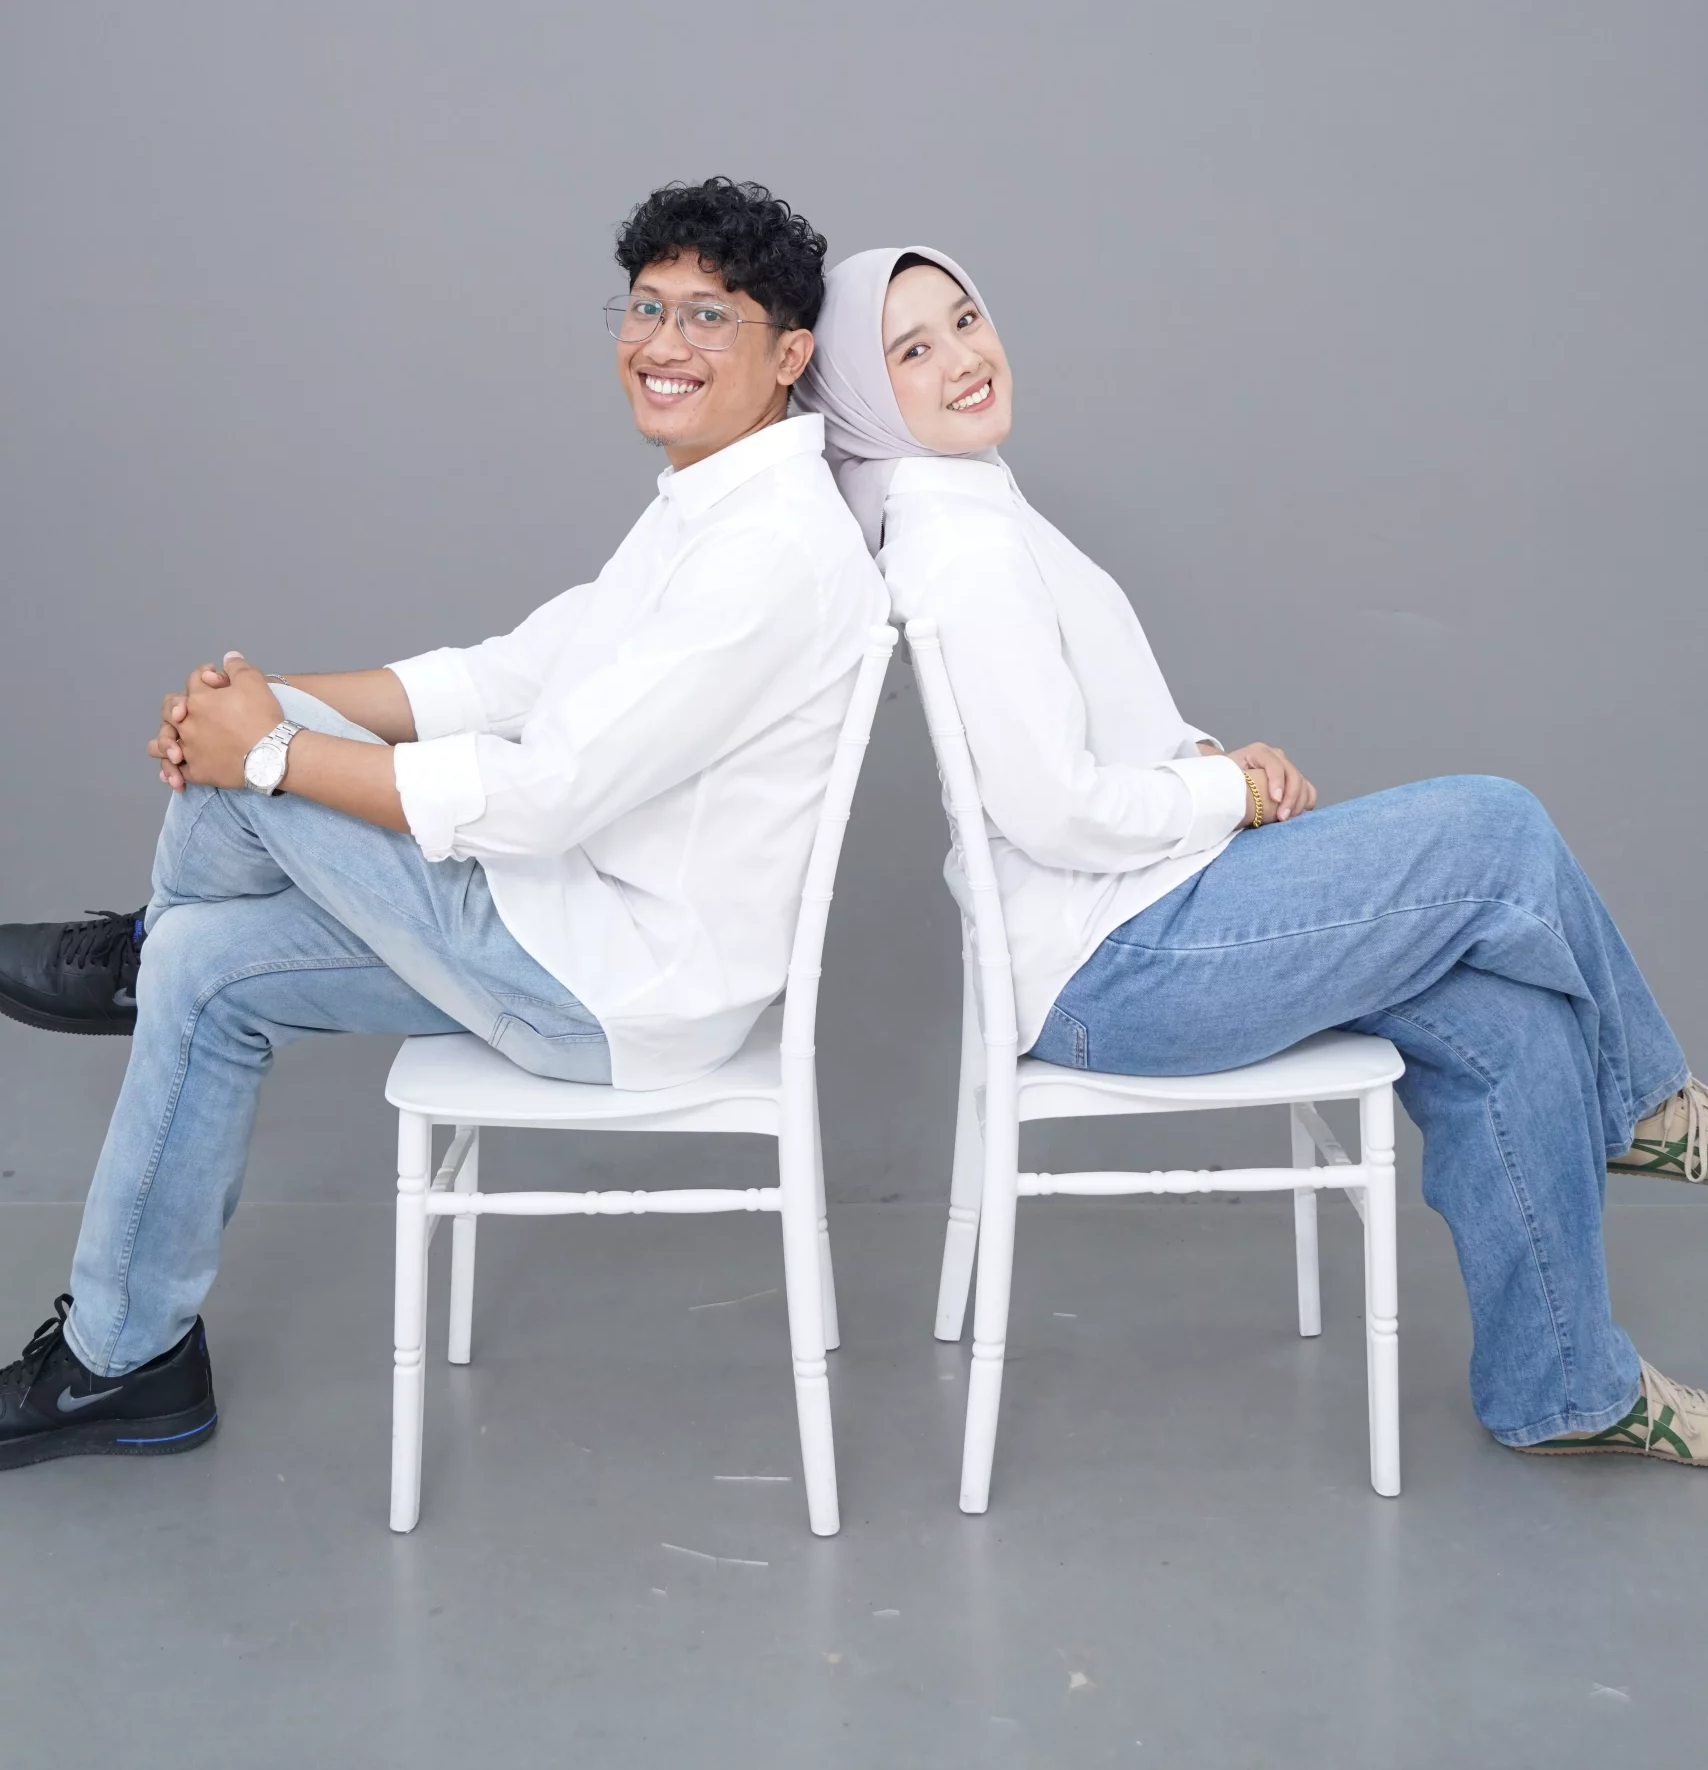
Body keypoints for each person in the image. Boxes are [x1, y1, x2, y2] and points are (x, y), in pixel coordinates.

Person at [0, 178, 885, 1471]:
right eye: (646, 308)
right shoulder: (707, 506)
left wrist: (267, 749)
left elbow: (543, 797)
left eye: (709, 316)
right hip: (566, 927)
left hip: (614, 983)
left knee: (247, 784)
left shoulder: (768, 555)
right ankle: (125, 1363)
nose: (663, 342)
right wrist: (267, 698)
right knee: (205, 960)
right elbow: (505, 678)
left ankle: (135, 950)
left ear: (789, 353)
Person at [795, 246, 1708, 1466]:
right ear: (864, 390)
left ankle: (1566, 1388)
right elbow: (1049, 810)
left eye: (964, 318)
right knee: (1498, 828)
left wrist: (1209, 765)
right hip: (1118, 964)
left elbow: (1081, 737)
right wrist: (1220, 792)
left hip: (1153, 913)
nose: (963, 357)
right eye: (912, 349)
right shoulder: (959, 549)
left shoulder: (974, 502)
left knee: (1513, 1018)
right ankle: (1645, 1108)